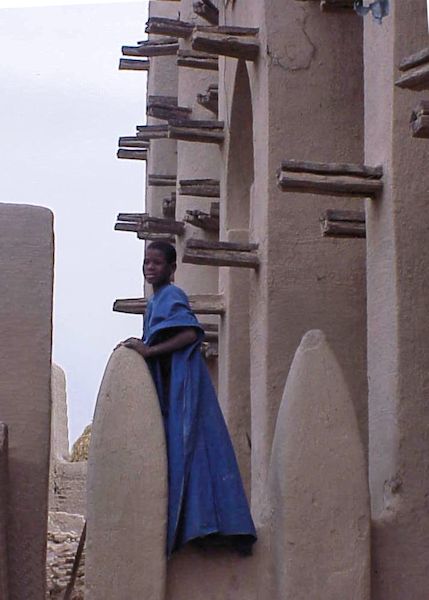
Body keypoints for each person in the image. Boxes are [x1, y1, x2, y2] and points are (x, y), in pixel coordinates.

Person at [119, 241, 257, 557]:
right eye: (146, 262)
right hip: (171, 385)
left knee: (193, 449)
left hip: (185, 384)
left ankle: (209, 526)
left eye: (156, 263)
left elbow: (190, 334)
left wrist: (149, 351)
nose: (150, 267)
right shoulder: (155, 302)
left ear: (171, 268)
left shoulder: (172, 296)